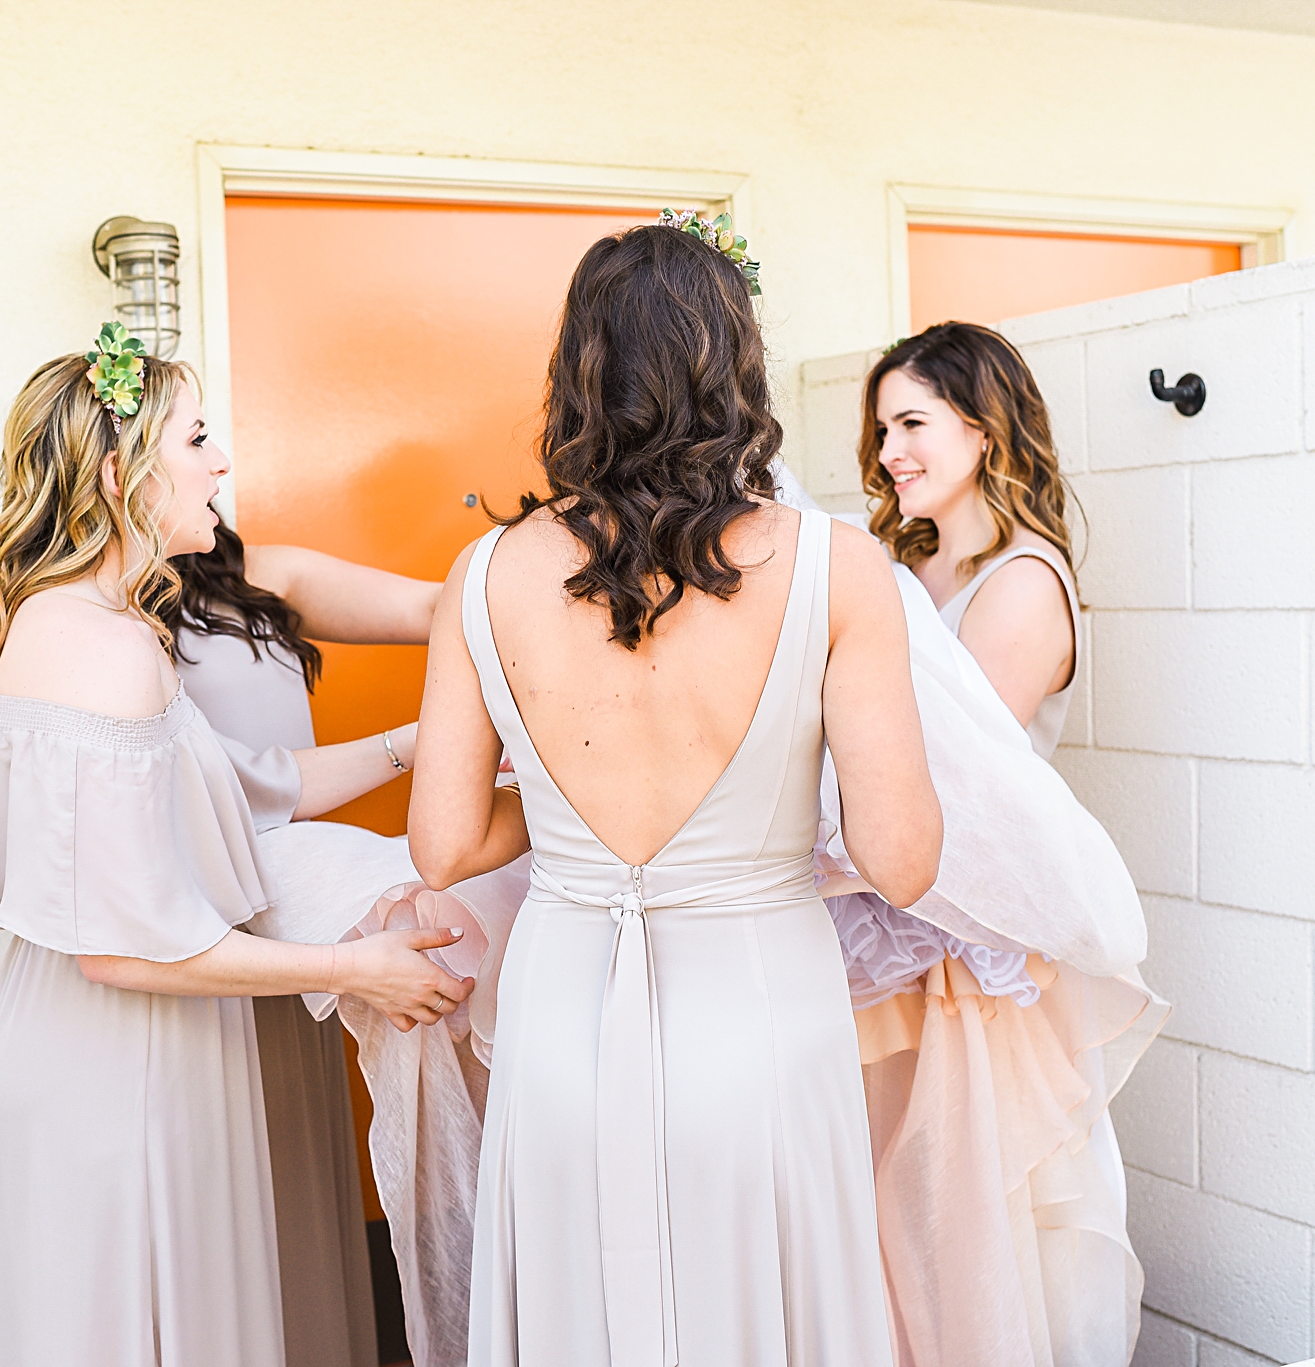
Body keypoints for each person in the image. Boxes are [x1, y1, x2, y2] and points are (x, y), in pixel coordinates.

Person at [409, 219, 942, 1365]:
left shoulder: (484, 574)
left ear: (578, 377)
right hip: (756, 1016)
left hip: (560, 1020)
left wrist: (560, 807)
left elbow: (443, 841)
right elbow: (901, 856)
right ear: (734, 369)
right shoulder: (835, 566)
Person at [0, 336, 474, 1367]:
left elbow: (246, 789)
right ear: (118, 474)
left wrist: (427, 747)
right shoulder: (100, 650)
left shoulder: (97, 624)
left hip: (146, 1048)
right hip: (117, 1066)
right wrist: (351, 966)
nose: (221, 459)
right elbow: (121, 950)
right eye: (195, 437)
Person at [832, 321, 1167, 1367]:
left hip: (966, 959)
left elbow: (948, 779)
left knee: (971, 1222)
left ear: (982, 429)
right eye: (881, 427)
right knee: (888, 1218)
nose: (889, 451)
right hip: (885, 936)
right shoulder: (900, 566)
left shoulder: (1021, 581)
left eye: (913, 423)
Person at [158, 520, 437, 1367]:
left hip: (291, 923)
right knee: (211, 1209)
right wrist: (418, 745)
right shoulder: (95, 624)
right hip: (192, 937)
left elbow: (440, 604)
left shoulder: (255, 573)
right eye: (196, 439)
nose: (220, 461)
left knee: (295, 1203)